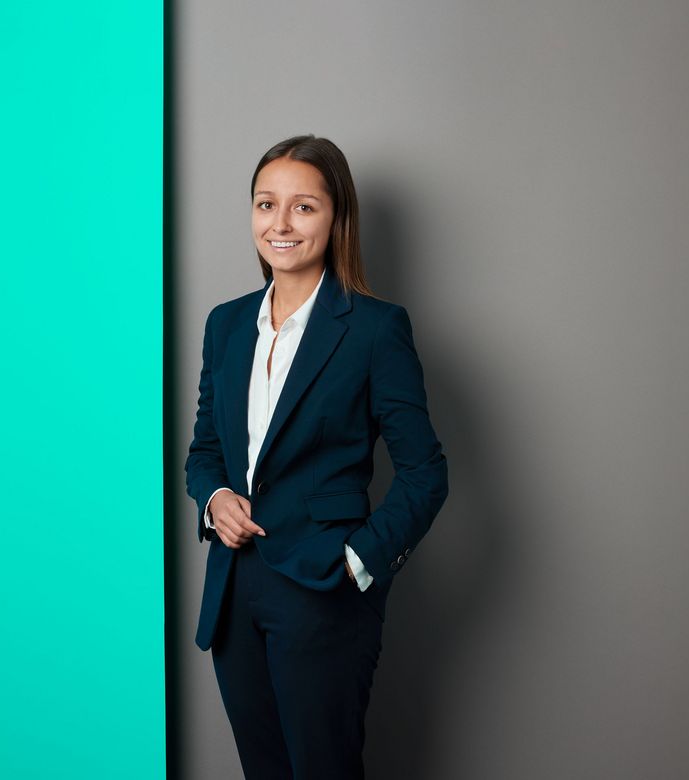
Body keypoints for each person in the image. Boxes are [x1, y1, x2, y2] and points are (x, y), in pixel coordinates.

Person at [185, 134, 450, 780]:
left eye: (303, 207)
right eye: (265, 204)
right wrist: (215, 498)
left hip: (324, 594)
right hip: (234, 594)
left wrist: (359, 563)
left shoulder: (374, 329)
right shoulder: (225, 325)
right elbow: (206, 449)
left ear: (337, 218)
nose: (280, 223)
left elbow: (425, 473)